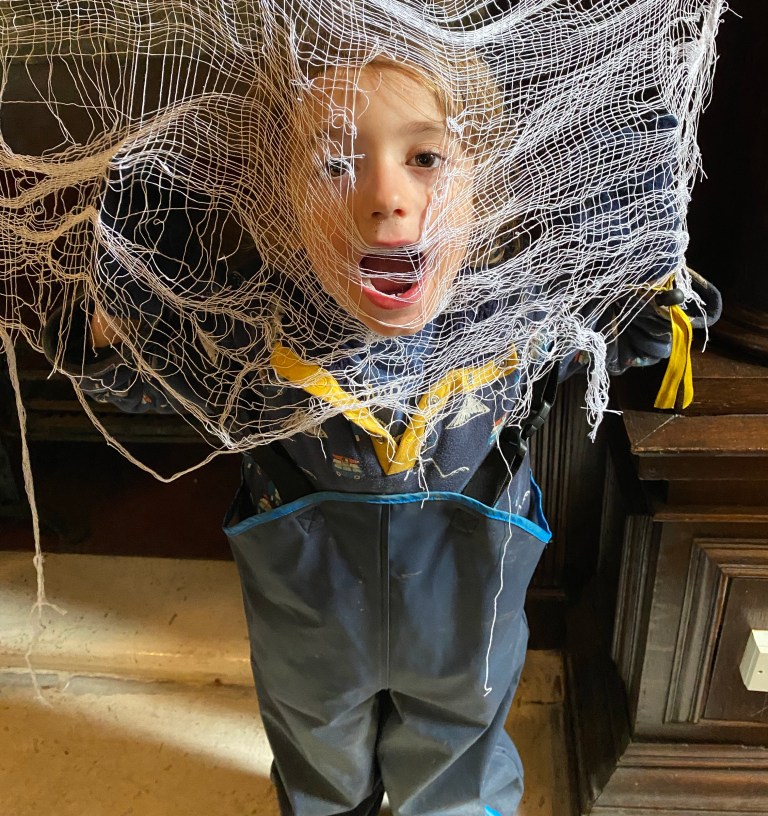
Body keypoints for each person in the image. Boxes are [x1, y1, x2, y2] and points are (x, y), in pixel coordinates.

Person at [43, 57, 718, 816]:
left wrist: (646, 255)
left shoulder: (516, 324)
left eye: (426, 157)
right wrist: (119, 305)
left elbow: (630, 337)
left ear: (486, 183)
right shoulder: (254, 338)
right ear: (276, 199)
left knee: (459, 761)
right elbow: (136, 377)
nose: (385, 199)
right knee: (319, 761)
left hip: (465, 621)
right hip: (312, 627)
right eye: (335, 164)